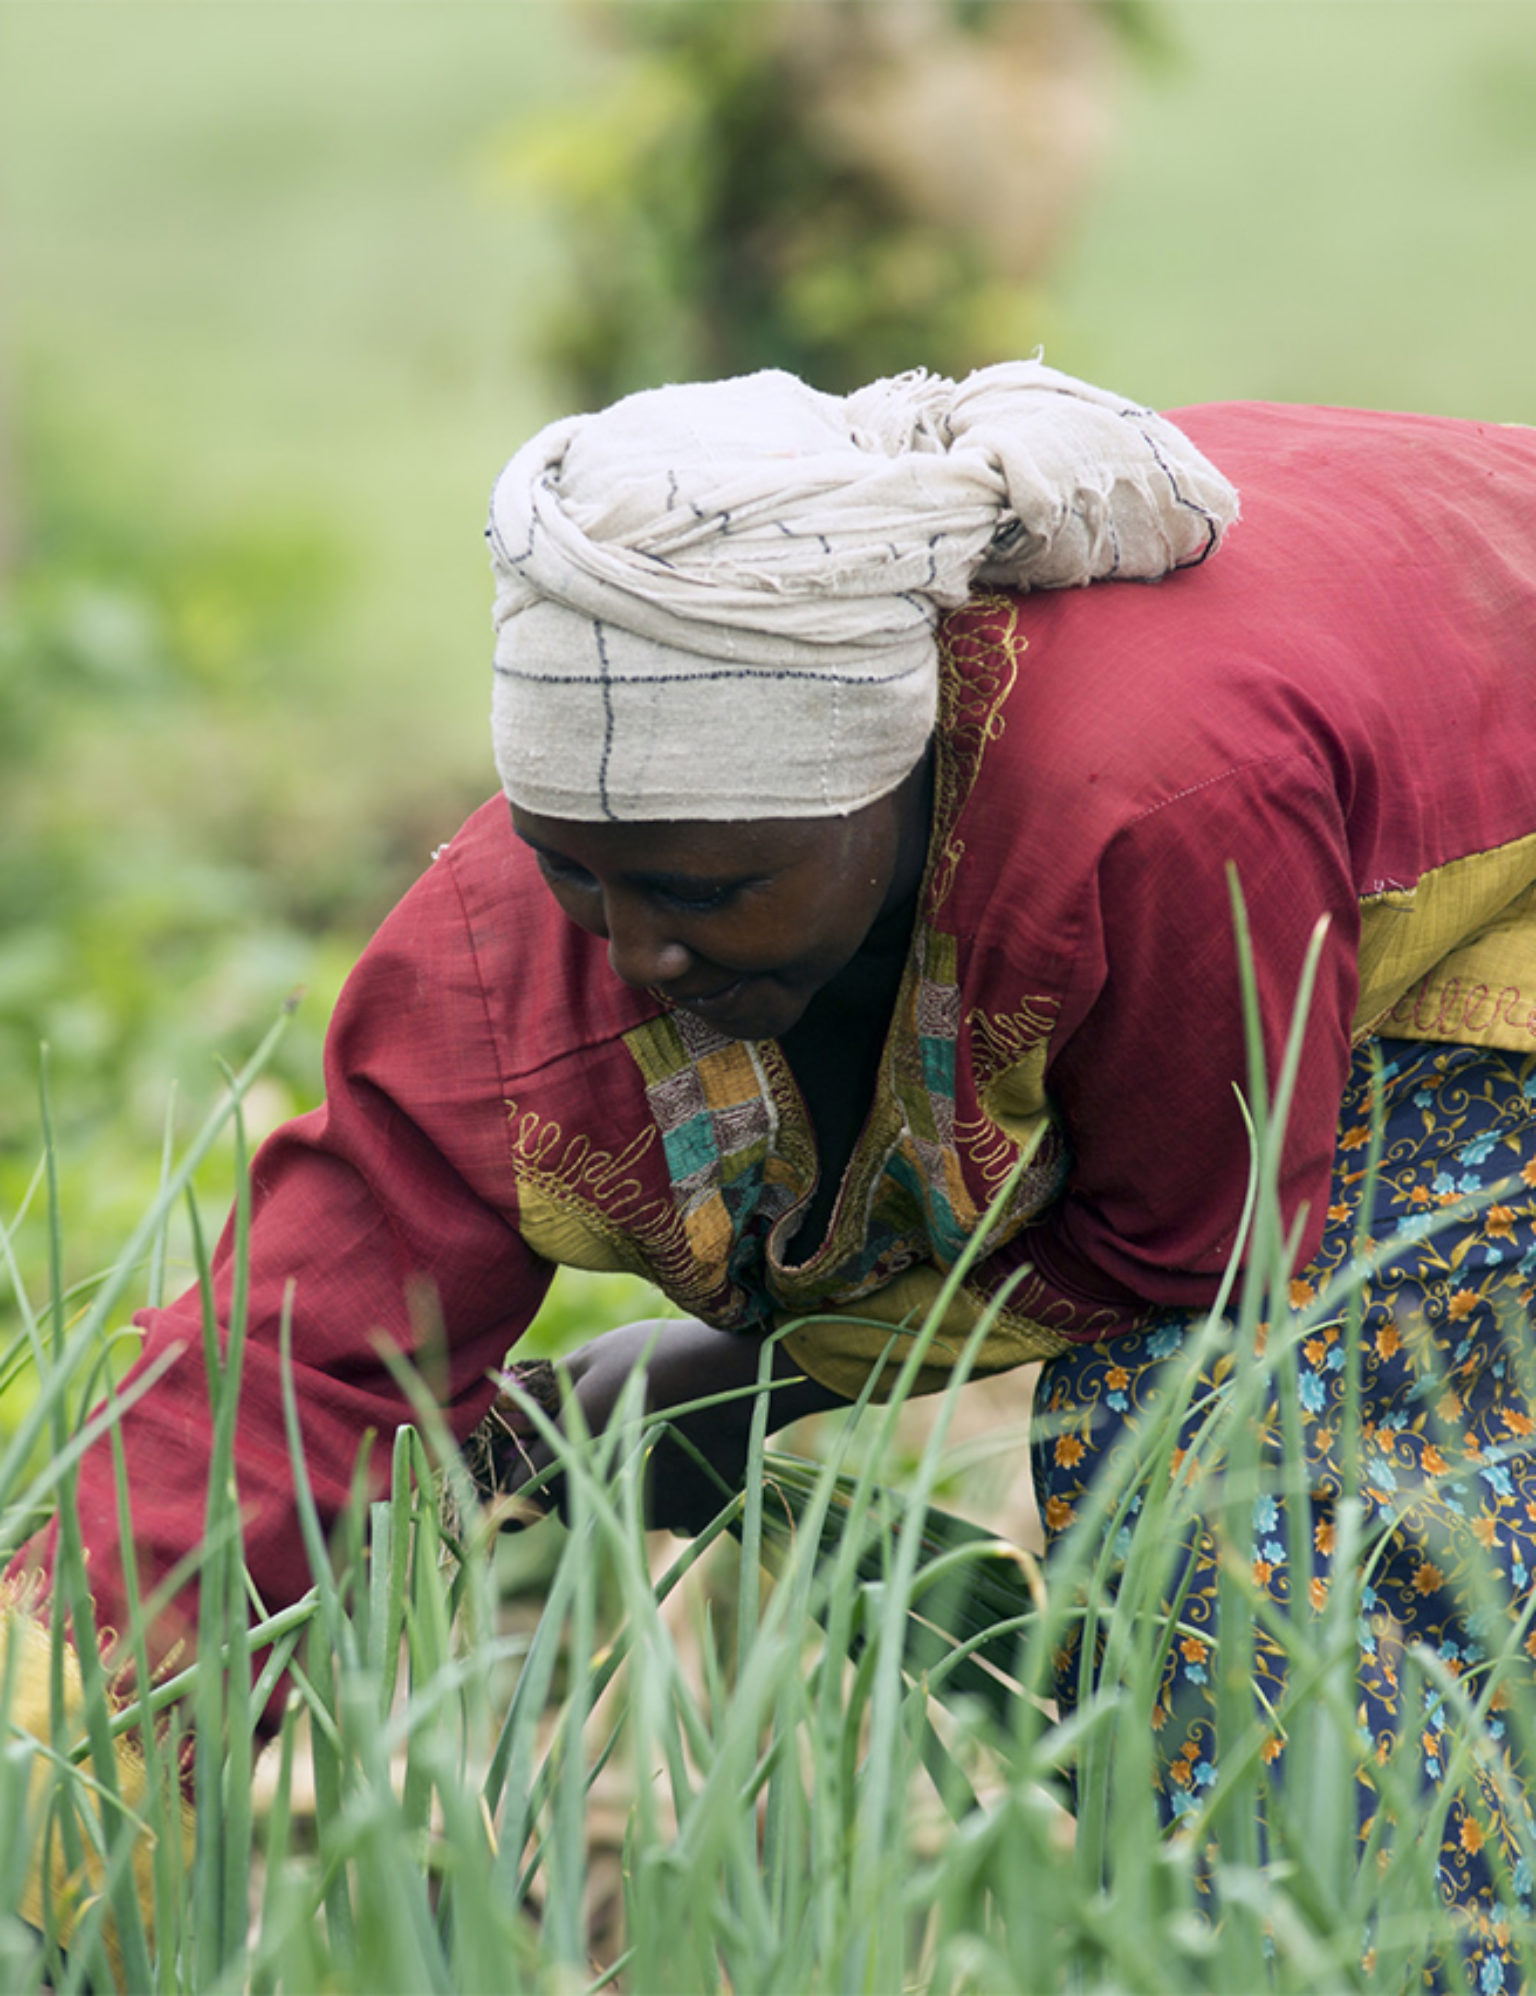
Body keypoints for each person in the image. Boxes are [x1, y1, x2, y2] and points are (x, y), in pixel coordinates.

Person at [9, 360, 1536, 1979]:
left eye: (705, 891)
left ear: (896, 784)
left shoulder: (1138, 812)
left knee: (1247, 1459)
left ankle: (1388, 1946)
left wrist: (749, 1376)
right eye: (573, 870)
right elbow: (272, 1381)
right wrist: (53, 1788)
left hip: (1463, 829)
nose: (635, 949)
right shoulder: (507, 962)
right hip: (1295, 767)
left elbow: (1196, 1249)